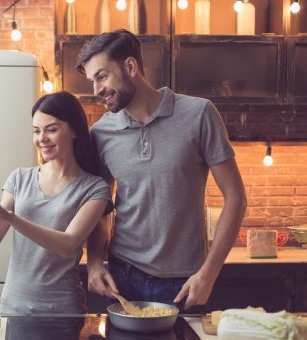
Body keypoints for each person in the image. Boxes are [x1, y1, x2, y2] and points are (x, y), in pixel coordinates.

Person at [75, 29, 247, 311]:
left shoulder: (199, 114)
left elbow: (236, 198)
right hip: (123, 279)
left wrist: (209, 273)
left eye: (102, 76)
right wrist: (94, 263)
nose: (96, 90)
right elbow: (100, 208)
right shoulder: (102, 132)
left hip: (185, 283)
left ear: (130, 67)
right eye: (92, 80)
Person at [0, 91, 112, 314]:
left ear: (74, 130)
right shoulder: (20, 178)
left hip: (62, 310)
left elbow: (67, 245)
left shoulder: (94, 188)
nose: (41, 139)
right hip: (13, 306)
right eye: (36, 131)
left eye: (52, 129)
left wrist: (11, 217)